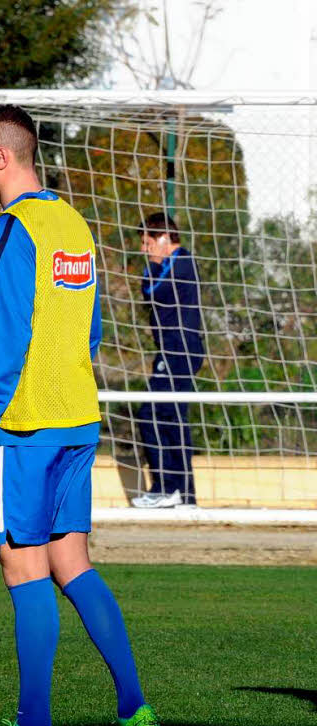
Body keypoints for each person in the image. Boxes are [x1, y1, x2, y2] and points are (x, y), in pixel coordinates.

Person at [0, 104, 159, 726]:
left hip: (24, 424)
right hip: (78, 418)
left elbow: (8, 334)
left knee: (23, 565)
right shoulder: (73, 223)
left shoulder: (11, 229)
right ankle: (135, 712)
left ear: (2, 157)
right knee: (73, 561)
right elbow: (90, 329)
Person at [131, 212, 205, 508]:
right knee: (167, 416)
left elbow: (152, 289)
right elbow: (148, 291)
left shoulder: (182, 262)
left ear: (164, 238)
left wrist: (152, 268)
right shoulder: (164, 266)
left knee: (153, 414)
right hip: (170, 351)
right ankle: (182, 494)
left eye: (147, 242)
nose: (143, 249)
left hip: (181, 350)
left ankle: (168, 488)